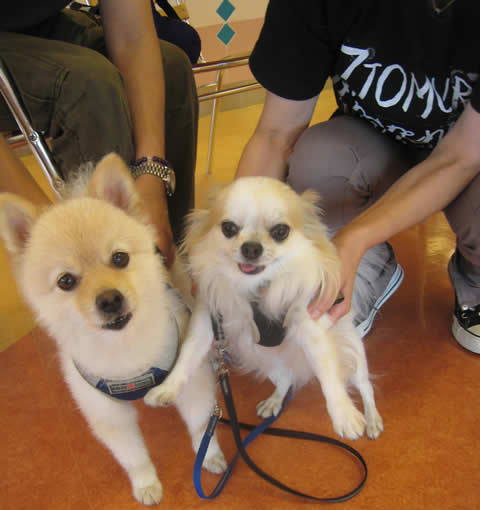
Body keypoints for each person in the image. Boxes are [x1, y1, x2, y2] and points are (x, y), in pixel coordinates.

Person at [237, 0, 480, 353]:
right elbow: (275, 134)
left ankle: (475, 276)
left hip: (465, 153)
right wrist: (241, 242)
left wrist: (355, 238)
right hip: (371, 144)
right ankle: (371, 268)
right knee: (321, 158)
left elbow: (461, 157)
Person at [0, 0, 199, 265]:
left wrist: (152, 172)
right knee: (88, 83)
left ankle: (171, 264)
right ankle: (100, 265)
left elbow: (133, 34)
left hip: (38, 25)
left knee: (169, 65)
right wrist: (44, 228)